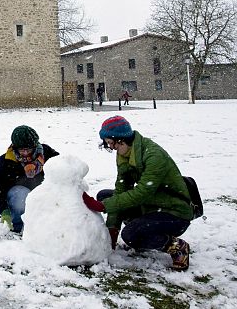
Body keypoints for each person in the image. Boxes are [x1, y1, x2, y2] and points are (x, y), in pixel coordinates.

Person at [82, 115, 194, 271]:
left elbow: (142, 193)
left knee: (130, 236)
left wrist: (103, 206)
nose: (111, 148)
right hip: (152, 205)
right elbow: (122, 188)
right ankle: (143, 233)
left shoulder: (154, 156)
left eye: (110, 143)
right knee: (105, 195)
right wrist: (112, 230)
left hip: (174, 212)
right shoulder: (124, 154)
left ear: (120, 139)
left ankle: (177, 247)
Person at [0, 125, 59, 234]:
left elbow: (63, 168)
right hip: (18, 195)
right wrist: (4, 210)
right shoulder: (7, 160)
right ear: (15, 147)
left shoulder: (46, 152)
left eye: (29, 149)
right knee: (21, 196)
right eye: (22, 150)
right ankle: (19, 225)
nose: (26, 153)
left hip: (43, 192)